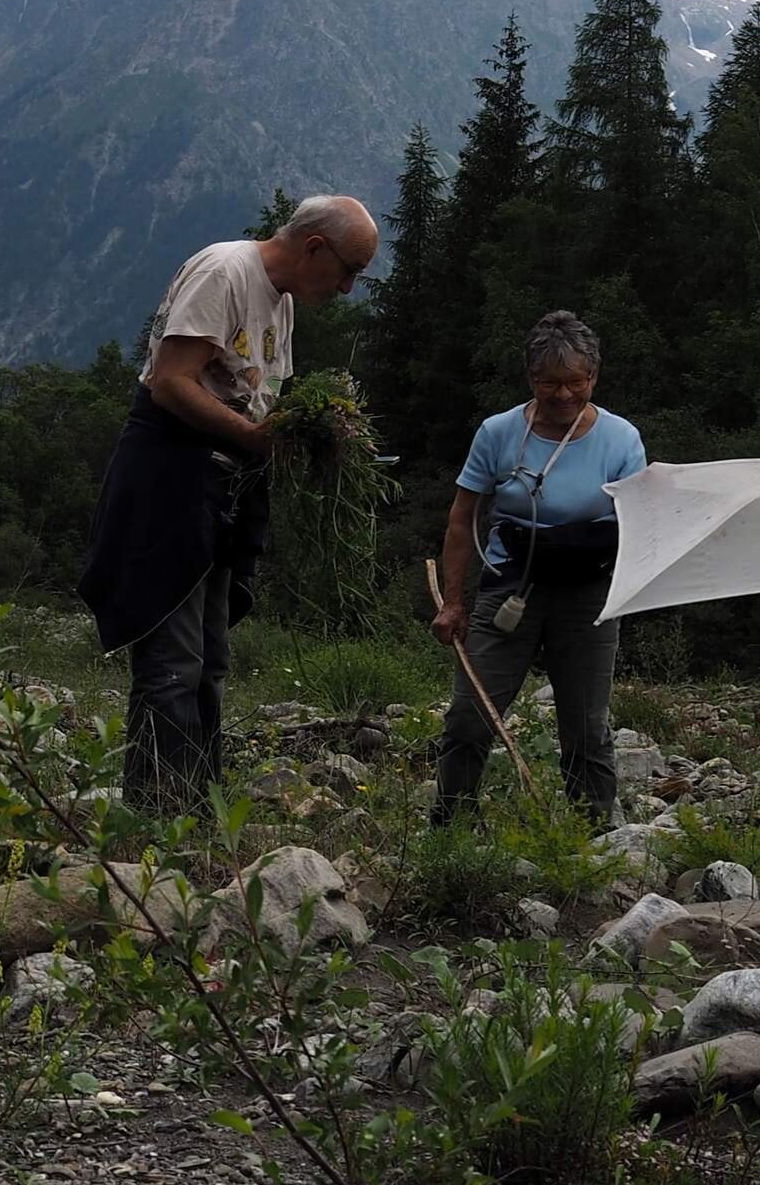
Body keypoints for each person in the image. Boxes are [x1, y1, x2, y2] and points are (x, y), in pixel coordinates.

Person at [78, 196, 380, 807]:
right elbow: (171, 382)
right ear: (315, 247)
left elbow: (261, 397)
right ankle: (159, 816)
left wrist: (308, 434)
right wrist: (253, 437)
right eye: (348, 270)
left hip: (224, 483)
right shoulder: (225, 272)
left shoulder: (282, 301)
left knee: (211, 656)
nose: (348, 288)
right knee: (174, 656)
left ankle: (199, 802)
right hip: (171, 476)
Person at [430, 311, 647, 826]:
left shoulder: (621, 440)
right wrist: (454, 601)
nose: (565, 395)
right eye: (550, 383)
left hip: (589, 594)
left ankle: (592, 832)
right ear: (531, 379)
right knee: (469, 717)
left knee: (587, 725)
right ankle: (453, 826)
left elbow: (644, 522)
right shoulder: (498, 433)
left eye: (577, 382)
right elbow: (463, 518)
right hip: (510, 588)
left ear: (594, 377)